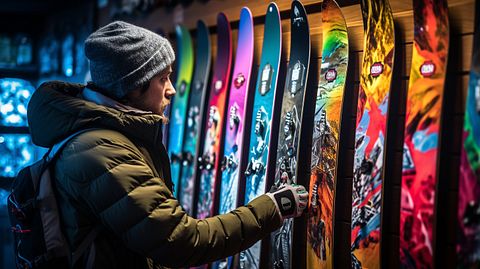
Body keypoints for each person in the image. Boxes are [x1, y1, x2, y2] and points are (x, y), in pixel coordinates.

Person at [27, 21, 308, 269]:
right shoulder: (102, 152)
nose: (172, 89)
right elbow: (183, 242)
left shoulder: (105, 137)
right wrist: (273, 207)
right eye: (163, 79)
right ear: (133, 87)